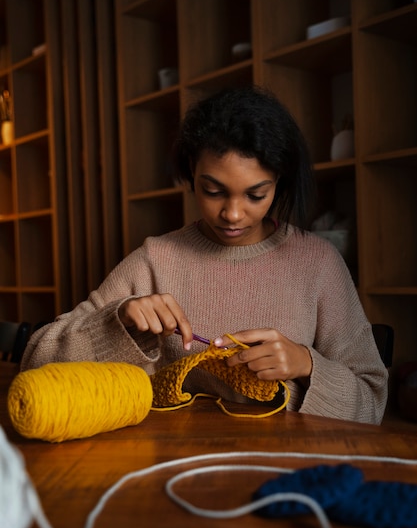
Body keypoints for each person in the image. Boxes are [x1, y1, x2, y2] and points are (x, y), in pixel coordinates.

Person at [21, 86, 388, 424]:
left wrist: (307, 364)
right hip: (170, 464)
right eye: (212, 191)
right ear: (191, 174)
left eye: (255, 195)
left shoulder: (318, 263)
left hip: (291, 469)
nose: (232, 213)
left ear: (280, 182)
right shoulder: (156, 260)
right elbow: (34, 362)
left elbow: (372, 401)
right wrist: (118, 322)